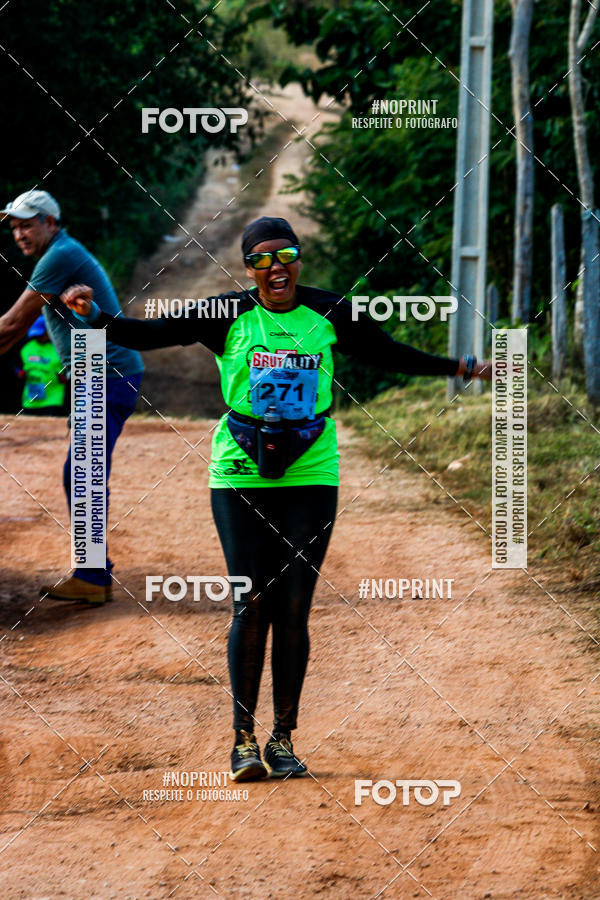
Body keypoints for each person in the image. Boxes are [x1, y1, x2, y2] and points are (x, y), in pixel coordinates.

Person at [60, 215, 491, 779]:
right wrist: (91, 316)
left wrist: (462, 368)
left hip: (311, 471)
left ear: (298, 258)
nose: (275, 268)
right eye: (260, 260)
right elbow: (145, 334)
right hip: (239, 472)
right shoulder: (227, 315)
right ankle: (242, 740)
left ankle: (282, 739)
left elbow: (390, 353)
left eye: (284, 254)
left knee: (293, 608)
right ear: (248, 269)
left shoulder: (331, 311)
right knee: (251, 603)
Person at [0, 189, 144, 605]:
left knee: (81, 473)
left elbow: (12, 326)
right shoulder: (60, 252)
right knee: (82, 472)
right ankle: (92, 573)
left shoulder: (59, 255)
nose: (20, 234)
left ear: (50, 222)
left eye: (27, 223)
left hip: (107, 374)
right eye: (14, 227)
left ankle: (93, 577)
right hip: (98, 374)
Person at [18, 315, 66, 416]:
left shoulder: (59, 347)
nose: (39, 337)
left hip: (52, 400)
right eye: (36, 334)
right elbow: (16, 365)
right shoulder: (27, 347)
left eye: (41, 334)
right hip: (30, 399)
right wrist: (20, 373)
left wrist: (65, 377)